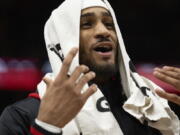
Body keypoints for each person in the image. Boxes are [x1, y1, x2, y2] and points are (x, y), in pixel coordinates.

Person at [0, 0, 179, 135]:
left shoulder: (151, 107)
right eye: (86, 24)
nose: (104, 32)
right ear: (62, 40)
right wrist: (45, 127)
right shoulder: (23, 116)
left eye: (110, 25)